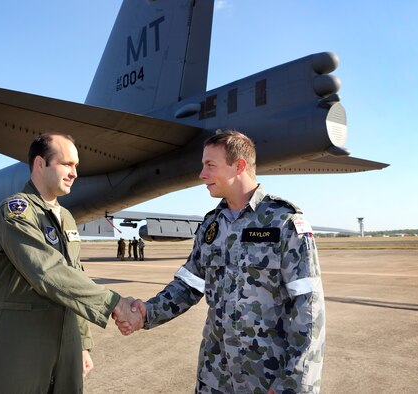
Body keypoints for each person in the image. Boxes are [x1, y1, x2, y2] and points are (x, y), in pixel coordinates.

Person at [120, 131, 326, 393]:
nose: (202, 175)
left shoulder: (284, 222)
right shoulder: (211, 225)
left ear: (239, 166)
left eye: (210, 165)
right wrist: (148, 312)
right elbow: (188, 285)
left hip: (267, 377)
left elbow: (309, 306)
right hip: (215, 373)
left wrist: (295, 382)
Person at [0, 133, 143, 393]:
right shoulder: (15, 212)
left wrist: (81, 343)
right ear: (40, 164)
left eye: (76, 165)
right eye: (66, 164)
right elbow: (46, 271)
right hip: (21, 337)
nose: (74, 173)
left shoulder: (66, 216)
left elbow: (72, 276)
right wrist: (114, 304)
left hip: (66, 338)